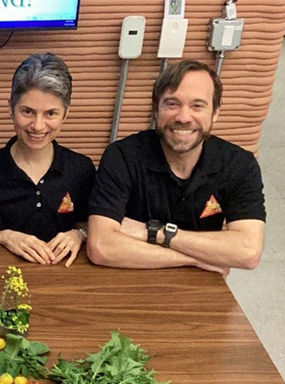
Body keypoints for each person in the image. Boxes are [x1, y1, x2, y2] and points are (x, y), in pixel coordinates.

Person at [87, 60, 265, 274]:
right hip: (127, 279)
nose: (183, 117)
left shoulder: (240, 165)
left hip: (200, 289)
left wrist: (156, 232)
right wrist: (193, 260)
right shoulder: (122, 156)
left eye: (197, 106)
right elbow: (102, 247)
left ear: (215, 112)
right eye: (172, 104)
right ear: (156, 109)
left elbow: (248, 252)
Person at [0, 53, 95, 267]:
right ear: (10, 108)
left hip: (66, 282)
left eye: (50, 114)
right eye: (27, 111)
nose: (38, 126)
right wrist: (3, 236)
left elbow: (93, 224)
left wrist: (79, 234)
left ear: (65, 114)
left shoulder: (81, 169)